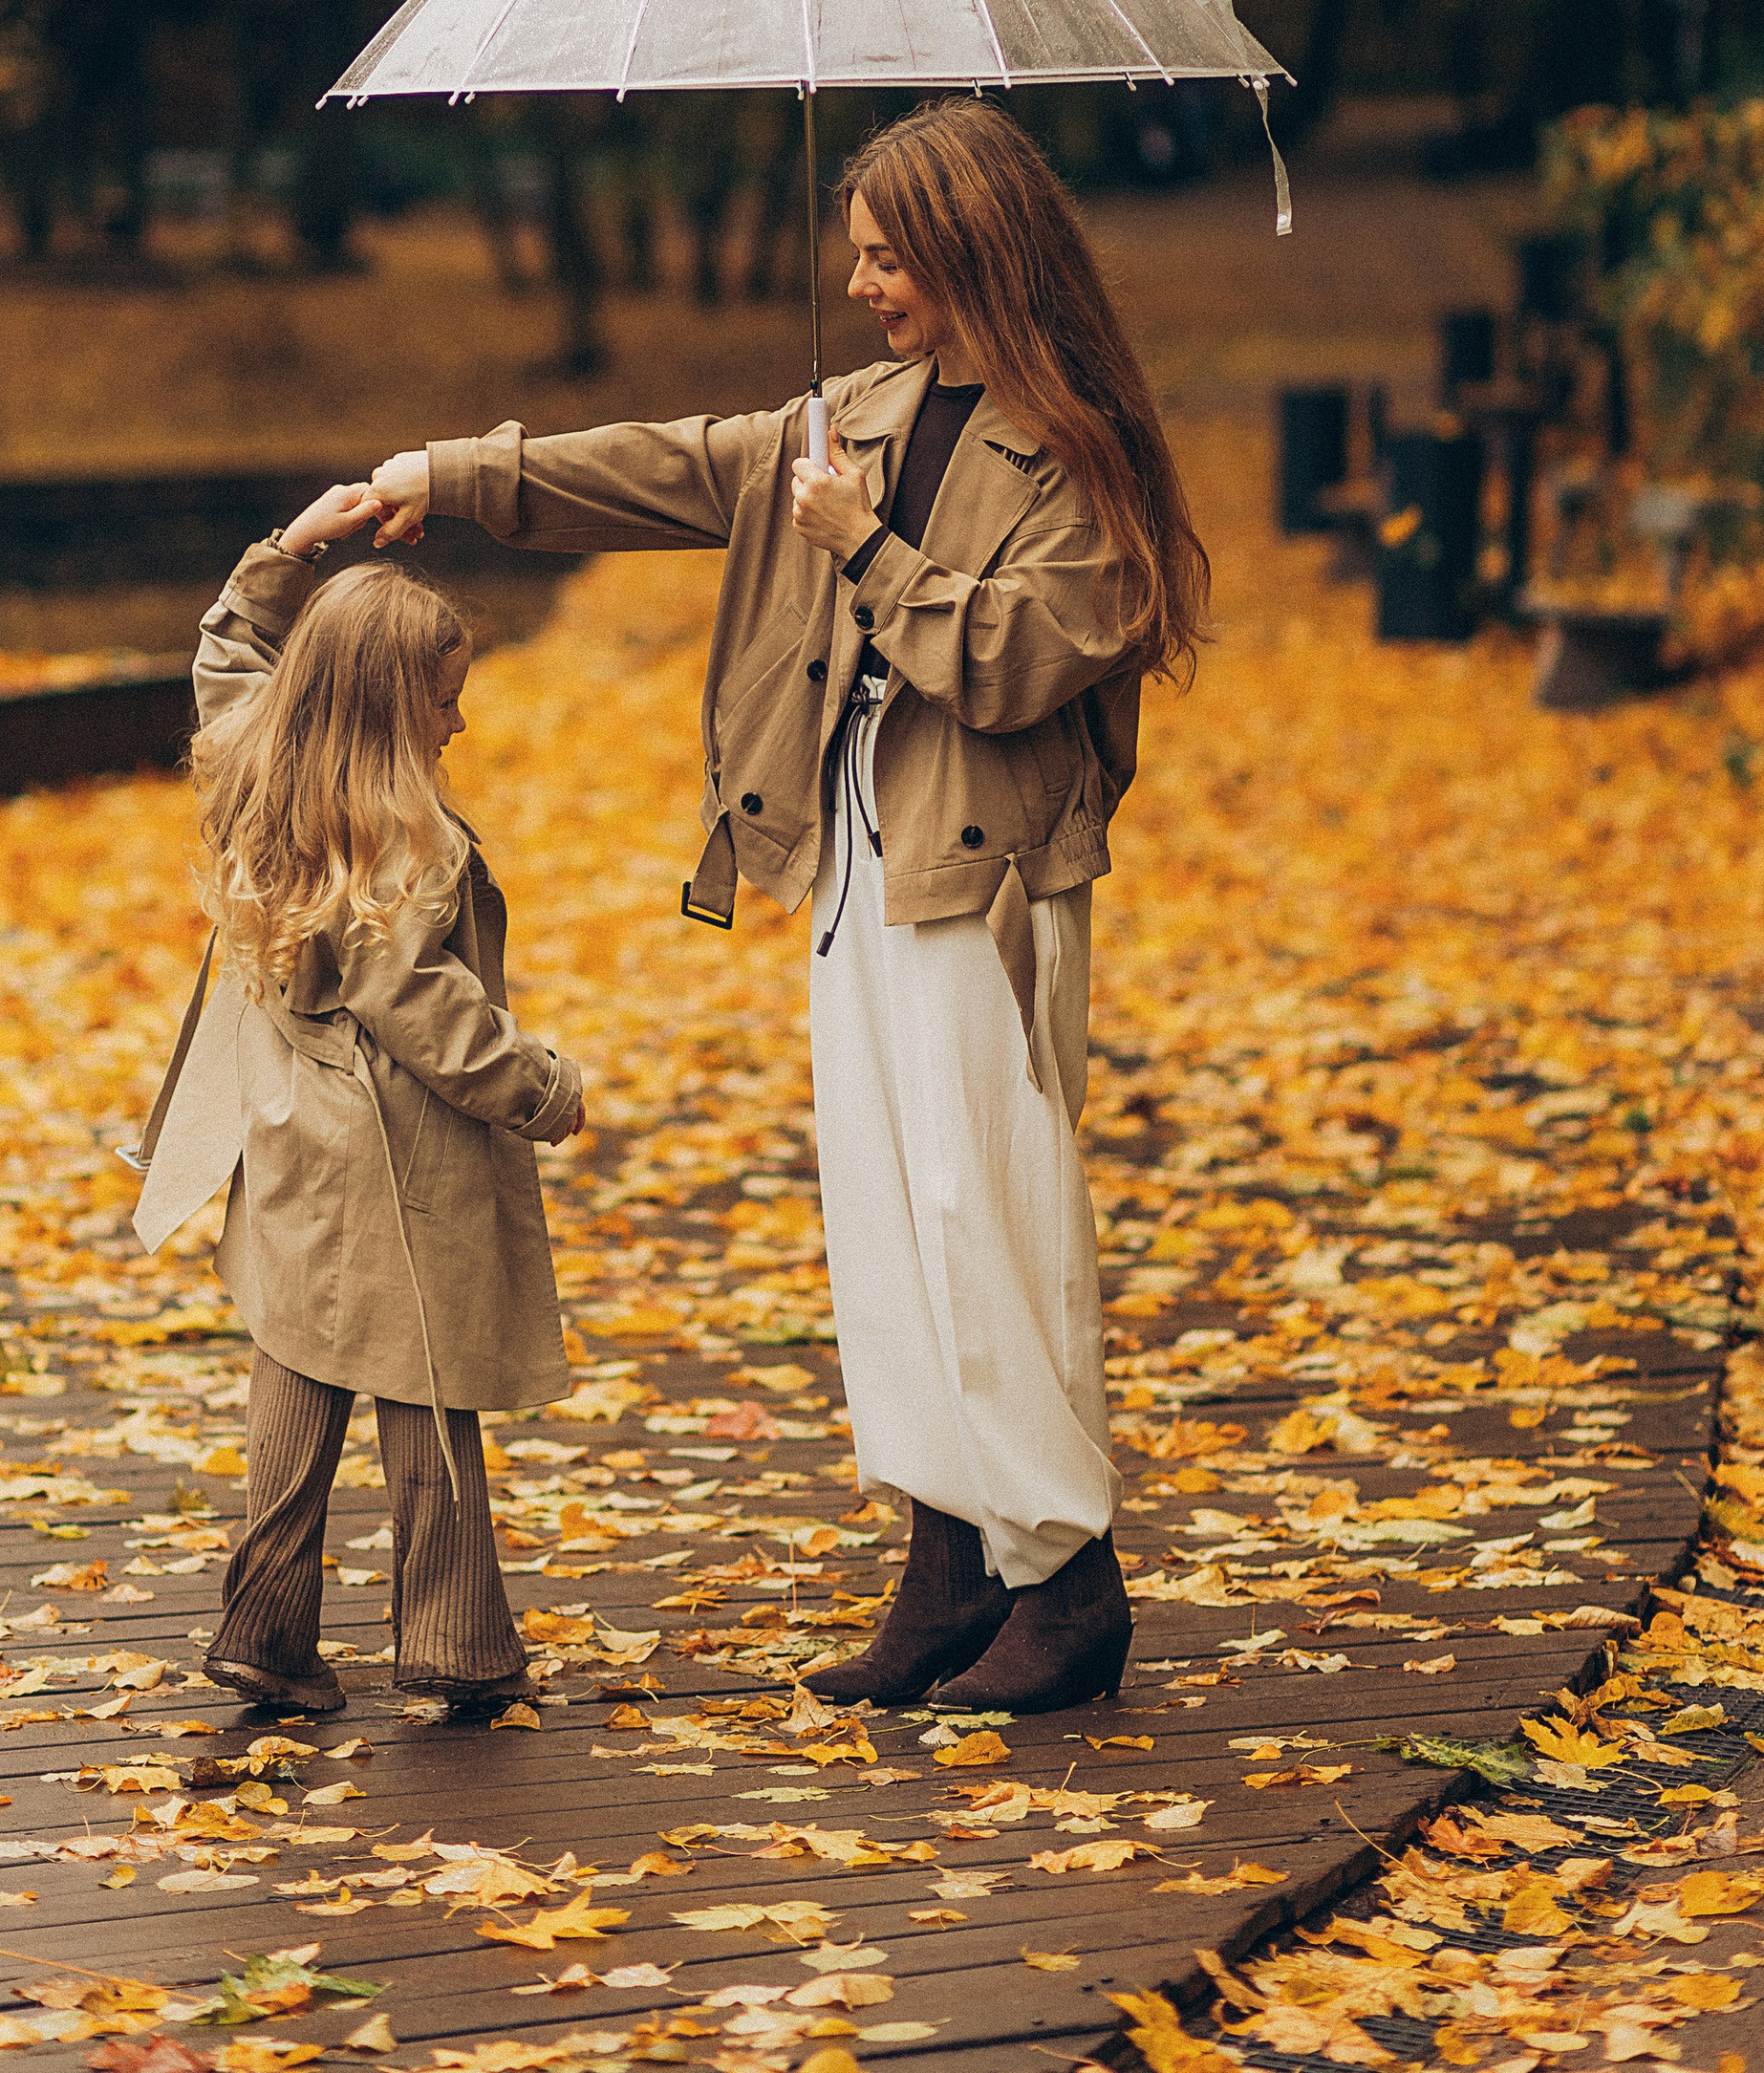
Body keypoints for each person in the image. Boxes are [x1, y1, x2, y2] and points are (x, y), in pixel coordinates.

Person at [367, 97, 1206, 1714]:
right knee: (885, 1216)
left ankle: (1068, 1577)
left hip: (984, 880)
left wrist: (868, 552)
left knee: (985, 1210)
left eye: (891, 257)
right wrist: (447, 474)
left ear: (972, 252)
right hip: (851, 857)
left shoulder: (1083, 454)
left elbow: (1024, 662)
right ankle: (950, 1562)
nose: (867, 285)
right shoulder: (857, 416)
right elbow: (668, 469)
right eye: (860, 258)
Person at [129, 484, 585, 1721]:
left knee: (298, 1366)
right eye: (446, 696)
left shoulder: (249, 771)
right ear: (393, 703)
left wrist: (291, 550)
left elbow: (227, 647)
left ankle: (265, 1625)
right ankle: (454, 1641)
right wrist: (540, 1085)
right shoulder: (405, 842)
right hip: (401, 1155)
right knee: (429, 1391)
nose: (460, 717)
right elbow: (427, 1013)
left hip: (287, 1142)